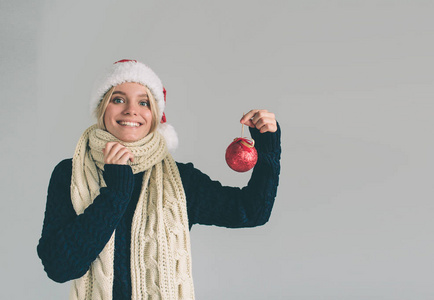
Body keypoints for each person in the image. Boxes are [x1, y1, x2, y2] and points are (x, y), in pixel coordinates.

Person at [37, 59, 281, 300]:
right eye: (118, 99)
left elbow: (252, 211)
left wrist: (267, 143)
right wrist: (116, 194)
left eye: (143, 102)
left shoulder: (181, 180)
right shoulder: (70, 174)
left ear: (154, 115)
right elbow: (59, 267)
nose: (131, 110)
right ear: (102, 109)